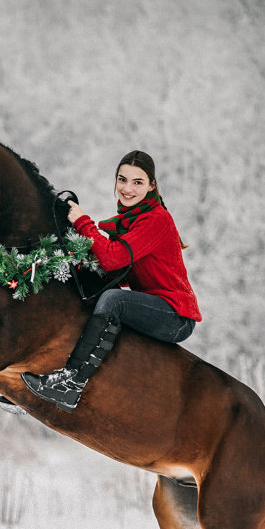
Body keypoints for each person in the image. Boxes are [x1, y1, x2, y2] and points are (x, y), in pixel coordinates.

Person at [21, 150, 202, 412]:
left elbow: (112, 259)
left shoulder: (157, 219)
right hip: (152, 304)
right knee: (89, 293)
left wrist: (83, 222)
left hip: (175, 314)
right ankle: (41, 378)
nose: (127, 189)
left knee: (113, 300)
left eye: (137, 182)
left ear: (152, 186)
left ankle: (72, 383)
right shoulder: (124, 223)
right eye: (122, 179)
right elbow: (112, 270)